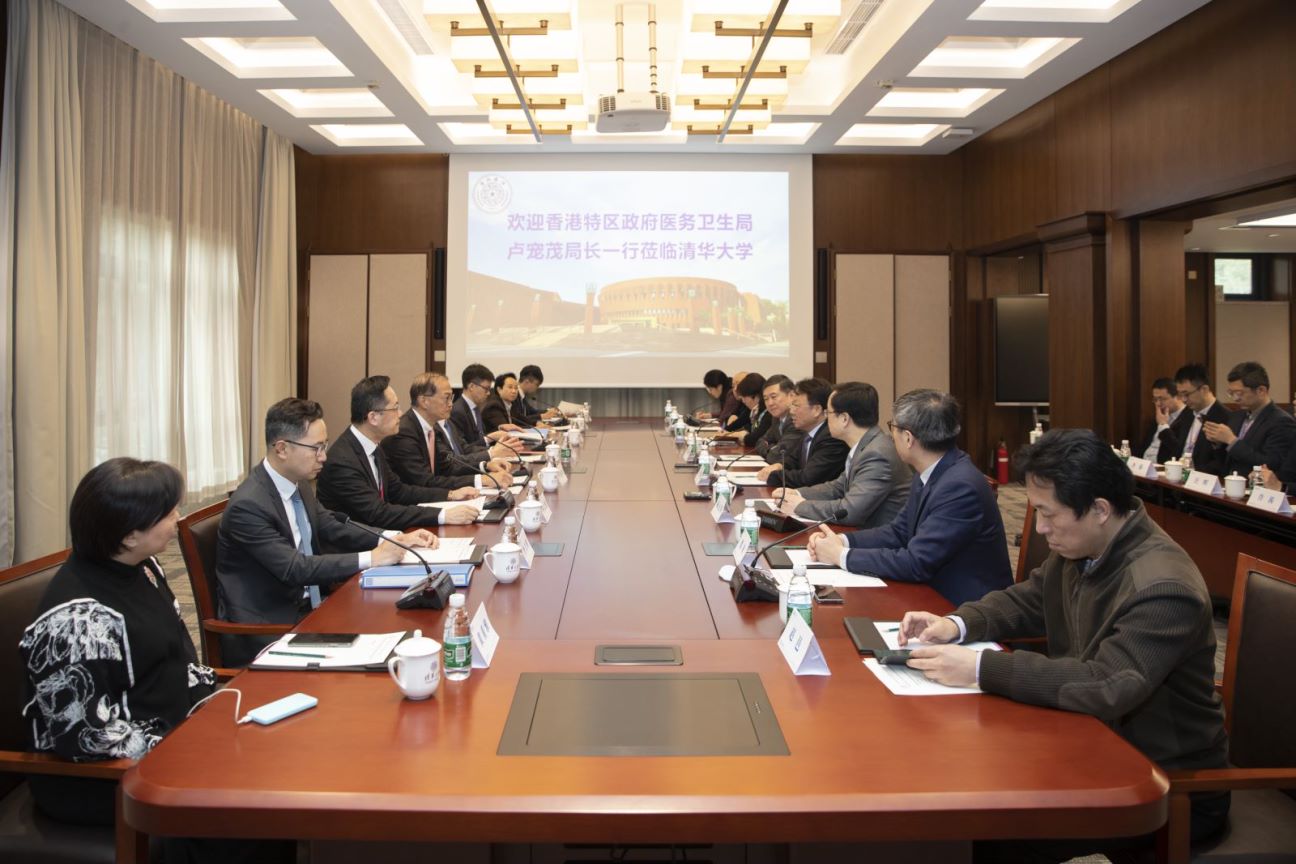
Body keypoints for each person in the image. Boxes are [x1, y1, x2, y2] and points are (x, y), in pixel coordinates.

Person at [897, 429, 1229, 862]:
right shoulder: (1089, 546)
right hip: (1090, 741)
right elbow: (1030, 599)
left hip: (1162, 782)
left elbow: (1108, 685)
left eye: (1048, 514)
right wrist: (956, 624)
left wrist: (979, 669)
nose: (1040, 528)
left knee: (991, 825)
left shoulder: (1163, 587)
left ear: (1100, 510)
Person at [19, 459, 294, 863]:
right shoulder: (76, 621)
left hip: (172, 738)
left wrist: (218, 711)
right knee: (250, 805)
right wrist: (185, 748)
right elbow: (84, 738)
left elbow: (178, 657)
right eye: (167, 514)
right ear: (129, 535)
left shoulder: (143, 567)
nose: (177, 518)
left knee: (278, 767)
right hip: (100, 778)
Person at [217, 398, 437, 666]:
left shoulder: (298, 483)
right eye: (316, 448)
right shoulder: (249, 505)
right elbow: (295, 568)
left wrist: (394, 538)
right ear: (282, 448)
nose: (323, 456)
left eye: (324, 445)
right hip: (270, 627)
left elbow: (332, 525)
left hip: (313, 607)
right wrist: (373, 557)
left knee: (402, 628)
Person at [806, 389, 1010, 606]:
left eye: (892, 427)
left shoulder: (959, 487)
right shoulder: (932, 469)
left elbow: (916, 562)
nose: (890, 436)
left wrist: (841, 556)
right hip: (929, 591)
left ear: (908, 438)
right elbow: (899, 532)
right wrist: (842, 541)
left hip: (960, 605)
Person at [316, 375, 479, 530]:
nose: (400, 414)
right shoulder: (343, 462)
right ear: (373, 417)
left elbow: (399, 491)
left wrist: (451, 495)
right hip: (358, 544)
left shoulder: (373, 446)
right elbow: (378, 513)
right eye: (395, 408)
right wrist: (442, 515)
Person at [774, 382, 911, 529]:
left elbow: (850, 511)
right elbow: (838, 487)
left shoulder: (876, 455)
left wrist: (800, 506)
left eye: (828, 413)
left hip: (876, 537)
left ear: (844, 419)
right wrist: (797, 493)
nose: (826, 418)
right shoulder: (866, 445)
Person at [382, 372, 514, 492]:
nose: (451, 404)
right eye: (446, 398)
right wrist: (482, 480)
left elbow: (447, 466)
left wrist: (485, 466)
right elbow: (425, 482)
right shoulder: (404, 432)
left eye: (452, 397)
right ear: (424, 401)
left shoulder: (431, 428)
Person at [1202, 360, 1296, 479]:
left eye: (1239, 393)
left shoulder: (1281, 421)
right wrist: (1218, 443)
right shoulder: (1237, 416)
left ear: (1261, 390)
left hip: (1254, 486)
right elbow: (1227, 460)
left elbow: (1271, 464)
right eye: (1231, 393)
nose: (1235, 399)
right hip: (1230, 483)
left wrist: (1232, 441)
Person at [755, 377, 849, 489]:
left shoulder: (831, 438)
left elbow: (808, 478)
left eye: (796, 405)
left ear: (816, 410)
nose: (791, 411)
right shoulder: (808, 432)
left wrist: (773, 476)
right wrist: (779, 465)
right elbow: (792, 460)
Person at [1164, 363, 1230, 474]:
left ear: (1204, 389)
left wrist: (1193, 474)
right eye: (1180, 395)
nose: (1183, 400)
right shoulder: (1187, 412)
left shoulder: (1225, 417)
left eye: (1186, 394)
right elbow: (1177, 448)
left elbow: (1221, 462)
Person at [1141, 377, 1191, 463]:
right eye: (1155, 399)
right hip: (1145, 463)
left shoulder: (1188, 417)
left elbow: (1179, 450)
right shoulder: (1159, 414)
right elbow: (1145, 445)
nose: (1158, 404)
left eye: (1162, 399)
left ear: (1178, 397)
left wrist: (1163, 426)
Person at [751, 374, 800, 460]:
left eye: (773, 397)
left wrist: (770, 448)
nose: (770, 403)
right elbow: (759, 442)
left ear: (791, 396)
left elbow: (779, 455)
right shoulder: (776, 418)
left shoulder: (797, 419)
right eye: (766, 399)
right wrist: (773, 448)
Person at [716, 372, 767, 444]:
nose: (743, 401)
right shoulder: (755, 410)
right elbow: (748, 426)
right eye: (733, 385)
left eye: (744, 397)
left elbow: (754, 438)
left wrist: (738, 435)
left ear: (755, 396)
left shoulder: (767, 413)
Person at [480, 371, 524, 435]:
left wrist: (536, 423)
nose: (514, 391)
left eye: (516, 388)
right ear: (499, 390)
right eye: (510, 387)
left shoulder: (512, 404)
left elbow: (523, 420)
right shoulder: (494, 406)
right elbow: (506, 428)